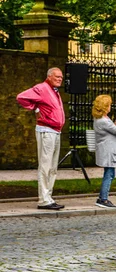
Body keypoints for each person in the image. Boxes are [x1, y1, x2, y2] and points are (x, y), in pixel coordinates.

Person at [16, 67, 66, 211]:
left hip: (55, 131)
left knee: (52, 167)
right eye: (57, 76)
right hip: (46, 130)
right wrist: (36, 109)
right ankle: (44, 199)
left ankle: (48, 197)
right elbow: (21, 97)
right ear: (49, 76)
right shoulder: (41, 88)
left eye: (61, 77)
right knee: (45, 165)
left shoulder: (54, 91)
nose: (59, 79)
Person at [92, 95, 116, 208]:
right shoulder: (103, 120)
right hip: (108, 151)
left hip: (108, 150)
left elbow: (113, 128)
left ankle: (102, 197)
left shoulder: (103, 119)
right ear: (104, 107)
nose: (110, 107)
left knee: (110, 174)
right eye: (109, 105)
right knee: (109, 174)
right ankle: (103, 199)